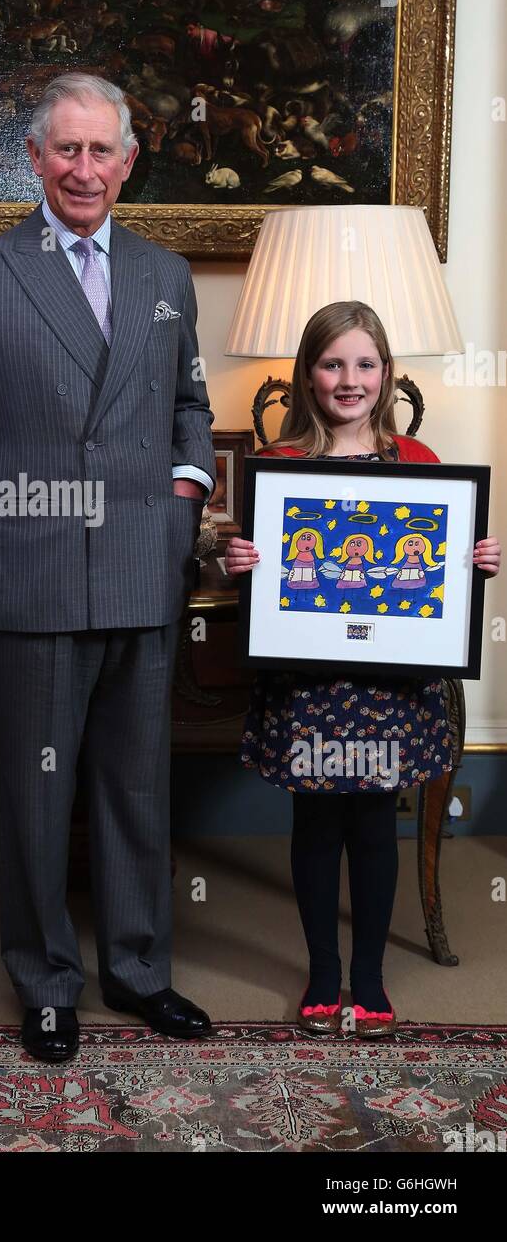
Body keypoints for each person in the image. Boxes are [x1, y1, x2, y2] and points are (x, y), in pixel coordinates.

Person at [0, 72, 217, 1062]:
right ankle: (46, 981)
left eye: (102, 151)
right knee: (38, 789)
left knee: (135, 785)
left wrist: (183, 494)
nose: (83, 168)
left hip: (141, 561)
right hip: (32, 569)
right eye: (66, 150)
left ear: (129, 161)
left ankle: (137, 971)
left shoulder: (164, 276)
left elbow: (188, 403)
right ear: (34, 159)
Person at [226, 301, 500, 1037]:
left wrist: (477, 564)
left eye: (366, 364)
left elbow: (442, 583)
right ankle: (322, 973)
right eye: (332, 363)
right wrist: (237, 562)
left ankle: (370, 977)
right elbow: (251, 580)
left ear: (387, 374)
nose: (351, 380)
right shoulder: (278, 466)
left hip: (390, 688)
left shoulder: (421, 466)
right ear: (307, 376)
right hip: (308, 685)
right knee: (316, 825)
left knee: (377, 827)